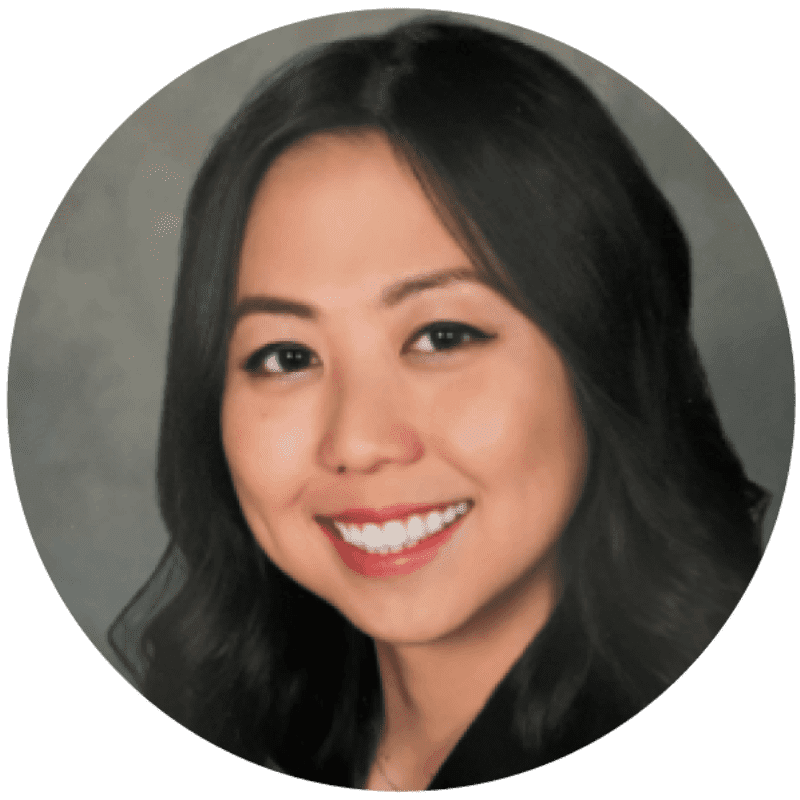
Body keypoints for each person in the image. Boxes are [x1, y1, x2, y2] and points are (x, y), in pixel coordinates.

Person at [108, 17, 769, 791]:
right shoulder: (259, 724)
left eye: (442, 335)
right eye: (287, 357)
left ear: (602, 354)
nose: (357, 440)